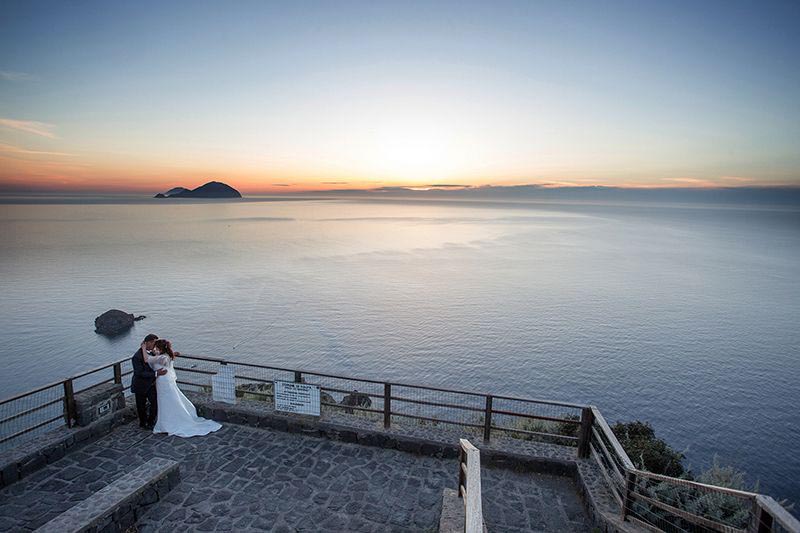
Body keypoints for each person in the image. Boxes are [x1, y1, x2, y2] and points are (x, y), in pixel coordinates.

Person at [143, 339, 221, 437]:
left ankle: (167, 424)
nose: (155, 349)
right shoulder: (167, 356)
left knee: (165, 402)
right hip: (165, 381)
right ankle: (168, 422)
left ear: (160, 348)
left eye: (156, 347)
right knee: (169, 401)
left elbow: (146, 359)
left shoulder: (162, 358)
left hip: (162, 382)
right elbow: (161, 357)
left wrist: (143, 347)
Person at [131, 334, 166, 429]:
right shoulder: (137, 356)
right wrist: (156, 374)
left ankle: (151, 422)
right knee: (141, 406)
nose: (155, 345)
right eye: (154, 342)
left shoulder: (153, 353)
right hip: (140, 385)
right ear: (148, 342)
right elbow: (139, 373)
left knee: (154, 403)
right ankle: (143, 423)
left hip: (151, 384)